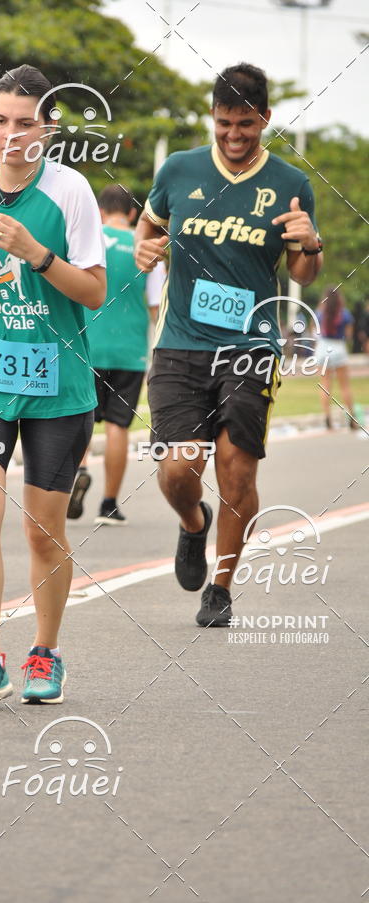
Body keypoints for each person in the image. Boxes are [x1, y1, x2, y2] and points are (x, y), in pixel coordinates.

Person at [135, 63, 323, 627]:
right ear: (212, 117)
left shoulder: (291, 184)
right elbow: (149, 229)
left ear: (265, 118)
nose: (234, 135)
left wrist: (310, 244)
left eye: (246, 123)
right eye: (224, 123)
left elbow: (303, 272)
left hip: (251, 346)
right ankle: (194, 523)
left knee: (237, 471)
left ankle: (219, 588)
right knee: (179, 466)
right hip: (180, 343)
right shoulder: (179, 169)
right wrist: (144, 251)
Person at [0, 64, 106, 708]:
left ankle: (46, 652)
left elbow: (93, 292)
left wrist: (38, 253)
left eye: (25, 124)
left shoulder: (72, 191)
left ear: (49, 129)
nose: (10, 136)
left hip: (57, 384)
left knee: (43, 530)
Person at [67, 184, 162, 525]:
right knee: (118, 427)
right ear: (133, 213)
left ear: (100, 211)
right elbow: (156, 307)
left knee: (81, 419)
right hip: (130, 351)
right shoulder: (145, 248)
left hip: (86, 346)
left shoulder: (87, 241)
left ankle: (79, 470)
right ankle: (109, 504)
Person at [316, 287, 355, 430]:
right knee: (345, 386)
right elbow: (349, 335)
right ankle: (352, 418)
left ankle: (327, 418)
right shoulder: (345, 314)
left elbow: (315, 331)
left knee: (325, 384)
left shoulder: (320, 313)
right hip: (338, 347)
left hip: (323, 347)